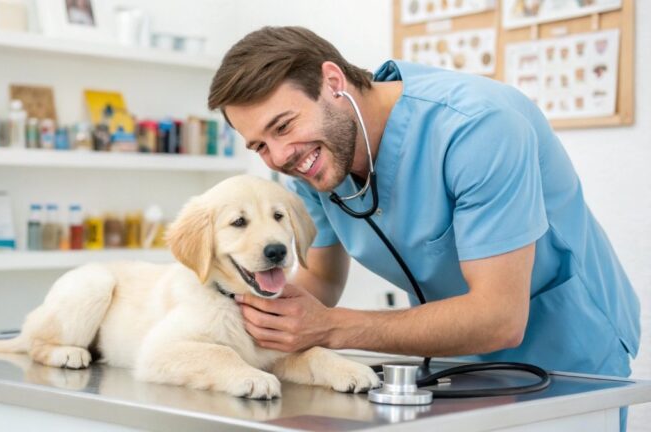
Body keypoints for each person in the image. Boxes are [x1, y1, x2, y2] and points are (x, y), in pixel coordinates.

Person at [208, 26, 639, 428]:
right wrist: (237, 317)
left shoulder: (477, 128)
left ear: (334, 82)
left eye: (283, 126)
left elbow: (499, 317)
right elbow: (319, 278)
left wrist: (331, 326)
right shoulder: (309, 168)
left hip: (569, 362)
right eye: (259, 145)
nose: (280, 155)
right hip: (454, 366)